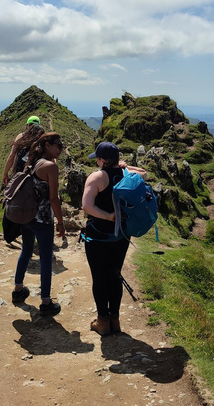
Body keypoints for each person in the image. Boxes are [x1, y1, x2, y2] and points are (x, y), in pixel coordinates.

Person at [81, 142, 147, 335]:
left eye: (98, 159)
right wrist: (125, 166)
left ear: (102, 160)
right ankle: (115, 321)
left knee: (99, 277)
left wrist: (108, 216)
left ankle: (103, 321)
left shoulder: (97, 177)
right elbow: (144, 172)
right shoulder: (128, 175)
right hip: (121, 235)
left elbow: (87, 206)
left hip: (98, 236)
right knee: (115, 275)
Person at [11, 132, 66, 317]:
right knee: (45, 257)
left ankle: (18, 290)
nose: (61, 149)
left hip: (27, 216)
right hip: (43, 218)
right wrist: (60, 222)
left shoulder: (34, 160)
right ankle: (46, 301)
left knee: (26, 250)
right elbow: (53, 198)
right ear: (48, 145)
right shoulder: (50, 167)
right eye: (58, 145)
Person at [1, 117, 44, 244]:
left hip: (19, 178)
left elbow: (11, 156)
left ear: (27, 126)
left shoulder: (21, 137)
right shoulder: (42, 140)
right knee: (34, 205)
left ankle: (10, 234)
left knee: (14, 201)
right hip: (35, 179)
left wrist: (5, 173)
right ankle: (32, 235)